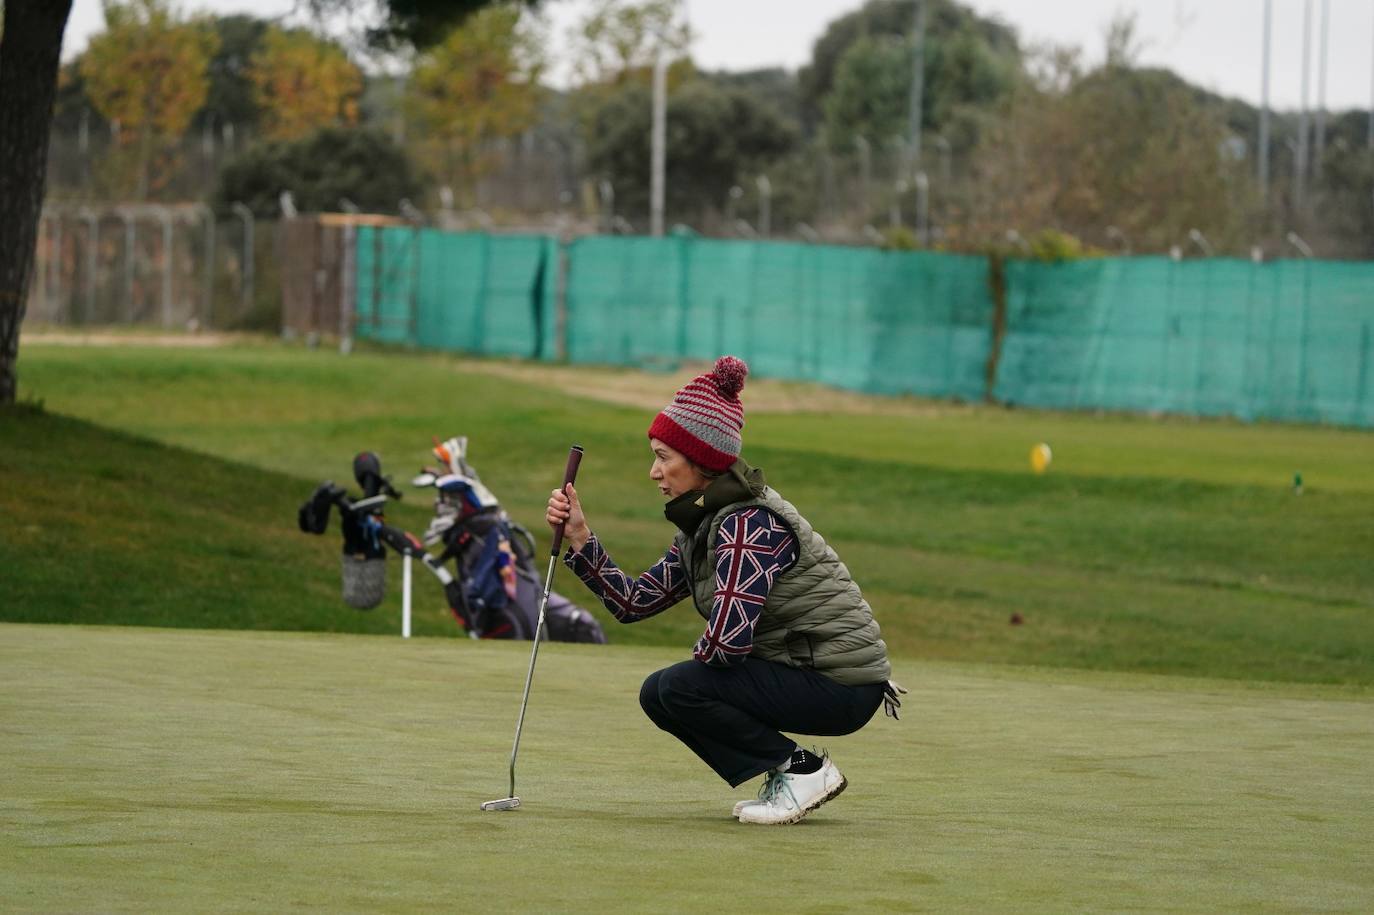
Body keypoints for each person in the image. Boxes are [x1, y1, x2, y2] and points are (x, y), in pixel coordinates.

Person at [545, 355, 904, 825]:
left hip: (841, 685)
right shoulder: (708, 523)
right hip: (809, 673)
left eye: (663, 457)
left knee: (677, 687)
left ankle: (803, 772)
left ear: (702, 463)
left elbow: (727, 643)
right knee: (665, 691)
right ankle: (790, 771)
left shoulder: (745, 524)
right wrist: (580, 536)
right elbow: (633, 603)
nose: (654, 472)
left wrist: (696, 686)